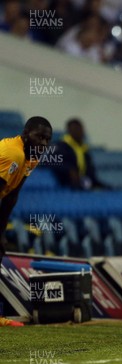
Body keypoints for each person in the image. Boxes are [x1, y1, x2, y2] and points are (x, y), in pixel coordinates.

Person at [0, 116, 53, 327]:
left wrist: (0, 233)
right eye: (39, 137)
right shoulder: (13, 154)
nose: (44, 144)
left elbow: (11, 196)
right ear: (25, 135)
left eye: (47, 140)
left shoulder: (31, 156)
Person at [51, 118, 104, 190]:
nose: (79, 132)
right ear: (69, 131)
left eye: (80, 129)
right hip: (68, 184)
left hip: (86, 182)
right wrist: (69, 170)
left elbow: (90, 172)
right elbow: (51, 161)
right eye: (75, 130)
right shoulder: (61, 146)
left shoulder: (84, 149)